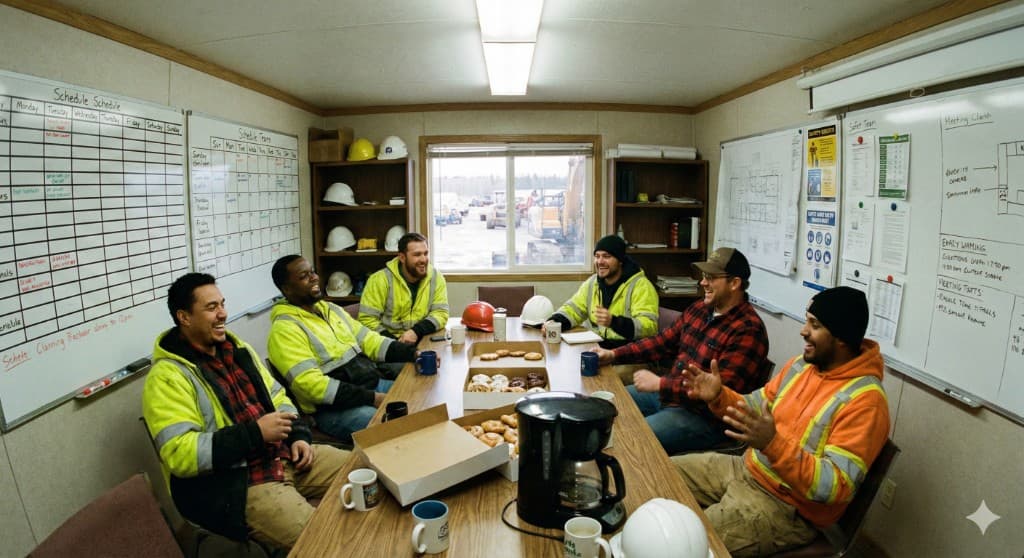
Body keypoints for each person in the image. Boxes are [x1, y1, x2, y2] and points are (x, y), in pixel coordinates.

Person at [673, 286, 889, 556]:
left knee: (684, 546)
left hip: (785, 508)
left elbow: (835, 486)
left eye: (815, 325)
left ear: (842, 338)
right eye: (807, 320)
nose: (803, 331)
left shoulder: (866, 401)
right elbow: (755, 406)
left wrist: (772, 444)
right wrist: (719, 396)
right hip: (745, 469)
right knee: (661, 473)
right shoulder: (802, 366)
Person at [142, 273, 349, 550]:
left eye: (222, 304)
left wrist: (299, 435)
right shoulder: (166, 378)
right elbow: (180, 453)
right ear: (184, 317)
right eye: (211, 307)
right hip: (239, 485)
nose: (222, 314)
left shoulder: (236, 349)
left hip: (283, 454)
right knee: (326, 542)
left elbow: (278, 396)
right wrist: (255, 433)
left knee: (366, 472)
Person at [592, 247, 769, 453]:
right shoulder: (699, 309)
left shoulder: (748, 330)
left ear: (734, 283)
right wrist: (614, 355)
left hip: (704, 418)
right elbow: (661, 342)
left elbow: (719, 393)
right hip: (669, 397)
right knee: (604, 407)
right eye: (704, 276)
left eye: (711, 277)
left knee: (630, 439)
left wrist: (661, 383)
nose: (703, 283)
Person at [268, 255, 417, 443]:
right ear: (286, 289)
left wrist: (413, 354)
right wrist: (372, 398)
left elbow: (370, 340)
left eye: (313, 272)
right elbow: (311, 386)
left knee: (420, 399)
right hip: (335, 408)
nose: (314, 278)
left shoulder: (330, 309)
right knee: (393, 429)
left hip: (370, 386)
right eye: (304, 276)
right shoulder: (284, 330)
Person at [543, 234, 658, 347]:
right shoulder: (592, 283)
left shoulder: (641, 286)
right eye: (597, 256)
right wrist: (554, 321)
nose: (600, 261)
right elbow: (574, 309)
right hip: (598, 347)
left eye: (606, 256)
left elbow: (649, 327)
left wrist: (614, 322)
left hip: (627, 353)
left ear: (620, 261)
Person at [358, 232, 449, 344]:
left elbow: (441, 313)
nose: (423, 259)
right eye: (417, 255)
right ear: (402, 257)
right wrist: (395, 345)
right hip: (388, 343)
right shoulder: (379, 280)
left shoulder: (436, 278)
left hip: (423, 339)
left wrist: (416, 332)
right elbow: (367, 320)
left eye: (425, 253)